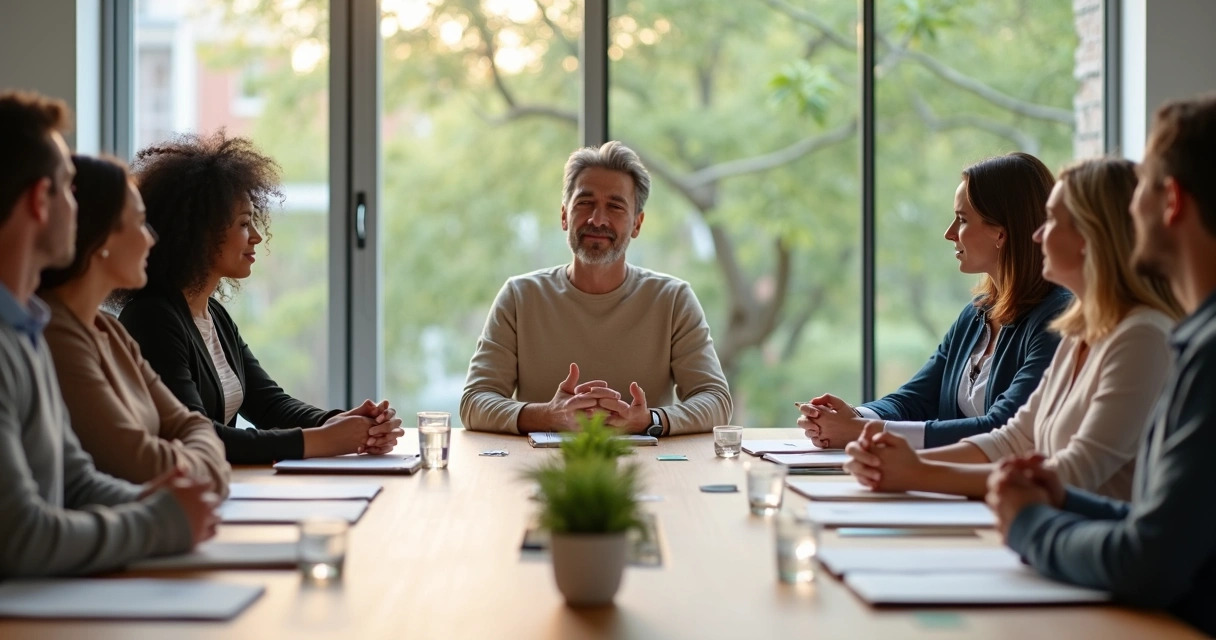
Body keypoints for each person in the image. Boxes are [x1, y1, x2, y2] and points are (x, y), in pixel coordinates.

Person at [986, 94, 1216, 636]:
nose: (1129, 210)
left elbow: (1149, 560)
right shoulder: (1195, 338)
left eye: (1142, 189)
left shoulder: (1200, 349)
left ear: (1171, 201)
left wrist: (1030, 524)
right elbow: (1158, 528)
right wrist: (1063, 500)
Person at [843, 157, 1181, 500]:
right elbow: (1013, 438)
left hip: (1092, 543)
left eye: (1051, 221)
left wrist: (915, 471)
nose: (1037, 234)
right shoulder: (1081, 329)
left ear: (1089, 236)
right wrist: (898, 464)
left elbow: (1076, 472)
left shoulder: (1143, 337)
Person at [0, 90, 216, 576]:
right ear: (40, 201)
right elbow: (19, 538)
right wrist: (160, 520)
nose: (77, 211)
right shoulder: (29, 337)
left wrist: (163, 504)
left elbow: (75, 483)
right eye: (68, 189)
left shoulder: (24, 330)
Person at [115, 131, 402, 464]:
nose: (256, 236)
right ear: (197, 232)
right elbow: (200, 438)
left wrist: (339, 423)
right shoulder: (152, 319)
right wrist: (323, 440)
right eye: (243, 223)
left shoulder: (214, 315)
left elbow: (269, 405)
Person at [798, 152, 1071, 449]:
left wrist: (865, 431)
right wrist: (854, 416)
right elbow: (916, 398)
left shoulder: (1056, 318)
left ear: (1001, 233)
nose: (949, 233)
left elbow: (1003, 428)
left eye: (962, 220)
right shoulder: (976, 315)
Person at [461, 141, 732, 436]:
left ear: (637, 224)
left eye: (615, 206)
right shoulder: (519, 297)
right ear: (564, 215)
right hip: (540, 468)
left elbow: (716, 401)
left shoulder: (673, 300)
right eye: (584, 203)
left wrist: (649, 420)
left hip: (648, 470)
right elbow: (474, 402)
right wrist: (548, 415)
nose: (597, 219)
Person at [39, 154, 231, 495]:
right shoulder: (56, 336)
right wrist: (205, 468)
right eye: (141, 223)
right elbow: (141, 465)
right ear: (102, 240)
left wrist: (198, 465)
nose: (152, 239)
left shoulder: (109, 331)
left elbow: (192, 424)